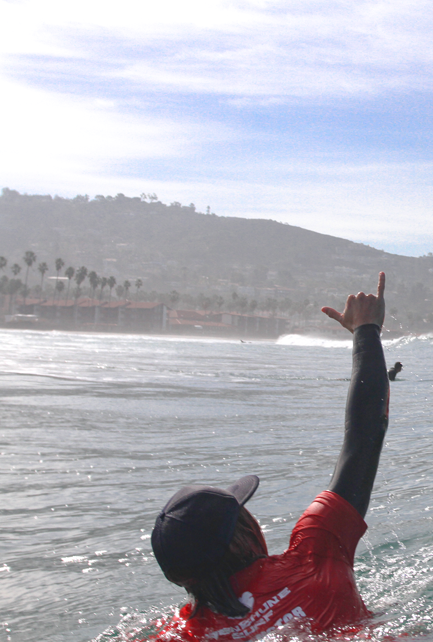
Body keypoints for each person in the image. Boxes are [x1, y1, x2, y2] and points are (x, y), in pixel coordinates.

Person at [148, 273, 389, 641]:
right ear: (245, 536)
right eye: (244, 513)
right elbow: (364, 436)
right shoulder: (315, 556)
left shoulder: (177, 633)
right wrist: (366, 330)